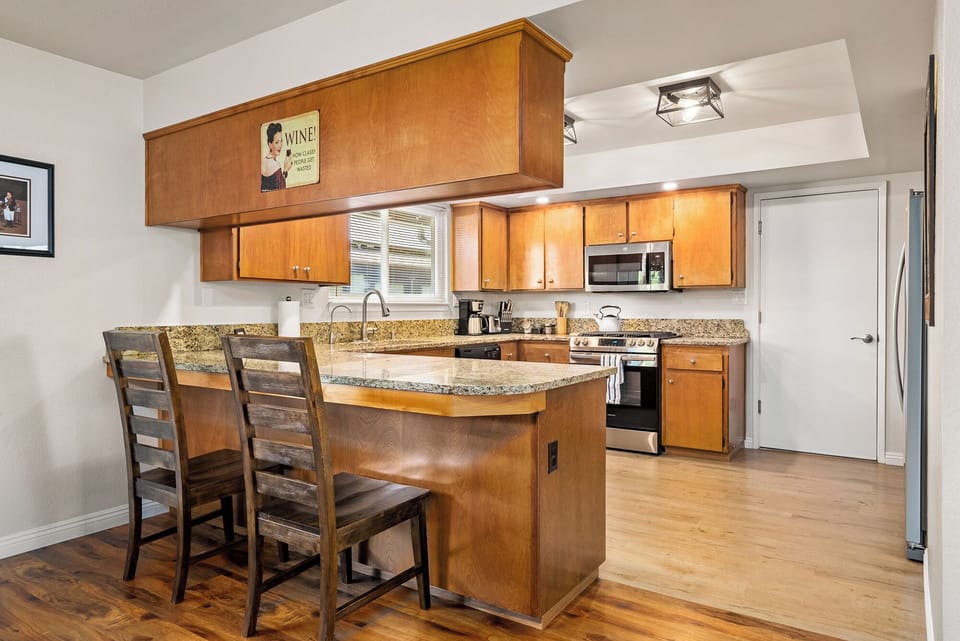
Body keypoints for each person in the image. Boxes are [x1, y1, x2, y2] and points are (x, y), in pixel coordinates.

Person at [260, 122, 292, 191]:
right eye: (277, 142)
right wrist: (286, 169)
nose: (280, 145)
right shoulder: (276, 165)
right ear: (270, 144)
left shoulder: (262, 161)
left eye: (281, 141)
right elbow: (282, 190)